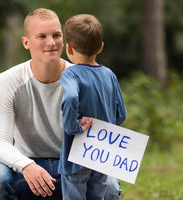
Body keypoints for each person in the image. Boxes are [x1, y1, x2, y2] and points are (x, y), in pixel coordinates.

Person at [0, 8, 122, 200]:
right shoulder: (7, 81)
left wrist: (92, 127)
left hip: (73, 166)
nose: (51, 43)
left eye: (56, 35)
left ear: (65, 40)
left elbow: (109, 126)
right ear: (26, 42)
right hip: (27, 167)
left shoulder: (85, 78)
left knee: (110, 186)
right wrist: (27, 166)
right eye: (41, 36)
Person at [59, 14, 127, 200]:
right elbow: (121, 114)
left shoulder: (70, 74)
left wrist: (73, 126)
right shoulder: (109, 75)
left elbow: (71, 96)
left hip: (77, 155)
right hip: (101, 154)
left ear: (69, 48)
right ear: (101, 47)